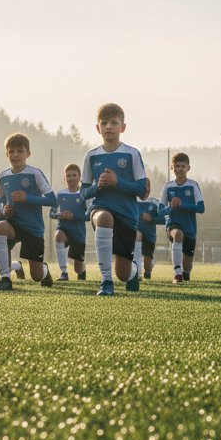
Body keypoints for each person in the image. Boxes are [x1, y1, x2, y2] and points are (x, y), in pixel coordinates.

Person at [80, 103, 149, 296]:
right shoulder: (91, 156)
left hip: (127, 215)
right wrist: (98, 187)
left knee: (124, 273)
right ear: (98, 128)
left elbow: (142, 188)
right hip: (101, 208)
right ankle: (105, 281)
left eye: (114, 122)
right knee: (103, 218)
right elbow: (84, 192)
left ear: (122, 127)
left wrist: (117, 182)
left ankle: (133, 271)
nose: (108, 126)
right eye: (104, 122)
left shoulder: (132, 153)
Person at [0, 133, 56, 292]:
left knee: (36, 276)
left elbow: (52, 200)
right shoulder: (2, 175)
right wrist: (5, 209)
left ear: (28, 154)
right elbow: (1, 199)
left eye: (20, 151)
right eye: (11, 151)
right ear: (6, 154)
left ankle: (44, 270)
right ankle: (5, 279)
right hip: (13, 223)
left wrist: (28, 198)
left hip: (33, 227)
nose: (15, 155)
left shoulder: (35, 173)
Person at [160, 153, 205, 284]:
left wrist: (182, 205)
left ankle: (184, 272)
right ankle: (177, 274)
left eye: (183, 166)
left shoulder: (193, 185)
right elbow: (160, 210)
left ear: (188, 168)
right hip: (173, 225)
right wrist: (170, 208)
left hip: (190, 228)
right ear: (172, 168)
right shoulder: (168, 187)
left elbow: (201, 208)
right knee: (178, 235)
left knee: (188, 267)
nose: (180, 168)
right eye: (177, 166)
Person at [50, 164, 88, 282]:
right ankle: (63, 273)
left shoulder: (85, 194)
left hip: (78, 232)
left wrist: (74, 216)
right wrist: (60, 215)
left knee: (78, 269)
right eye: (68, 176)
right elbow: (51, 213)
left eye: (74, 175)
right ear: (64, 178)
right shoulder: (60, 194)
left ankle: (83, 269)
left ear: (79, 177)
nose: (71, 178)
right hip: (64, 227)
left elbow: (90, 215)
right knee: (58, 236)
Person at [136, 192, 165, 280]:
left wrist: (152, 218)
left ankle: (149, 266)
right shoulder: (131, 200)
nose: (146, 189)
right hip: (134, 234)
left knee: (147, 266)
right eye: (145, 186)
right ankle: (136, 274)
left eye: (148, 186)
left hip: (149, 236)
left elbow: (164, 218)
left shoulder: (155, 202)